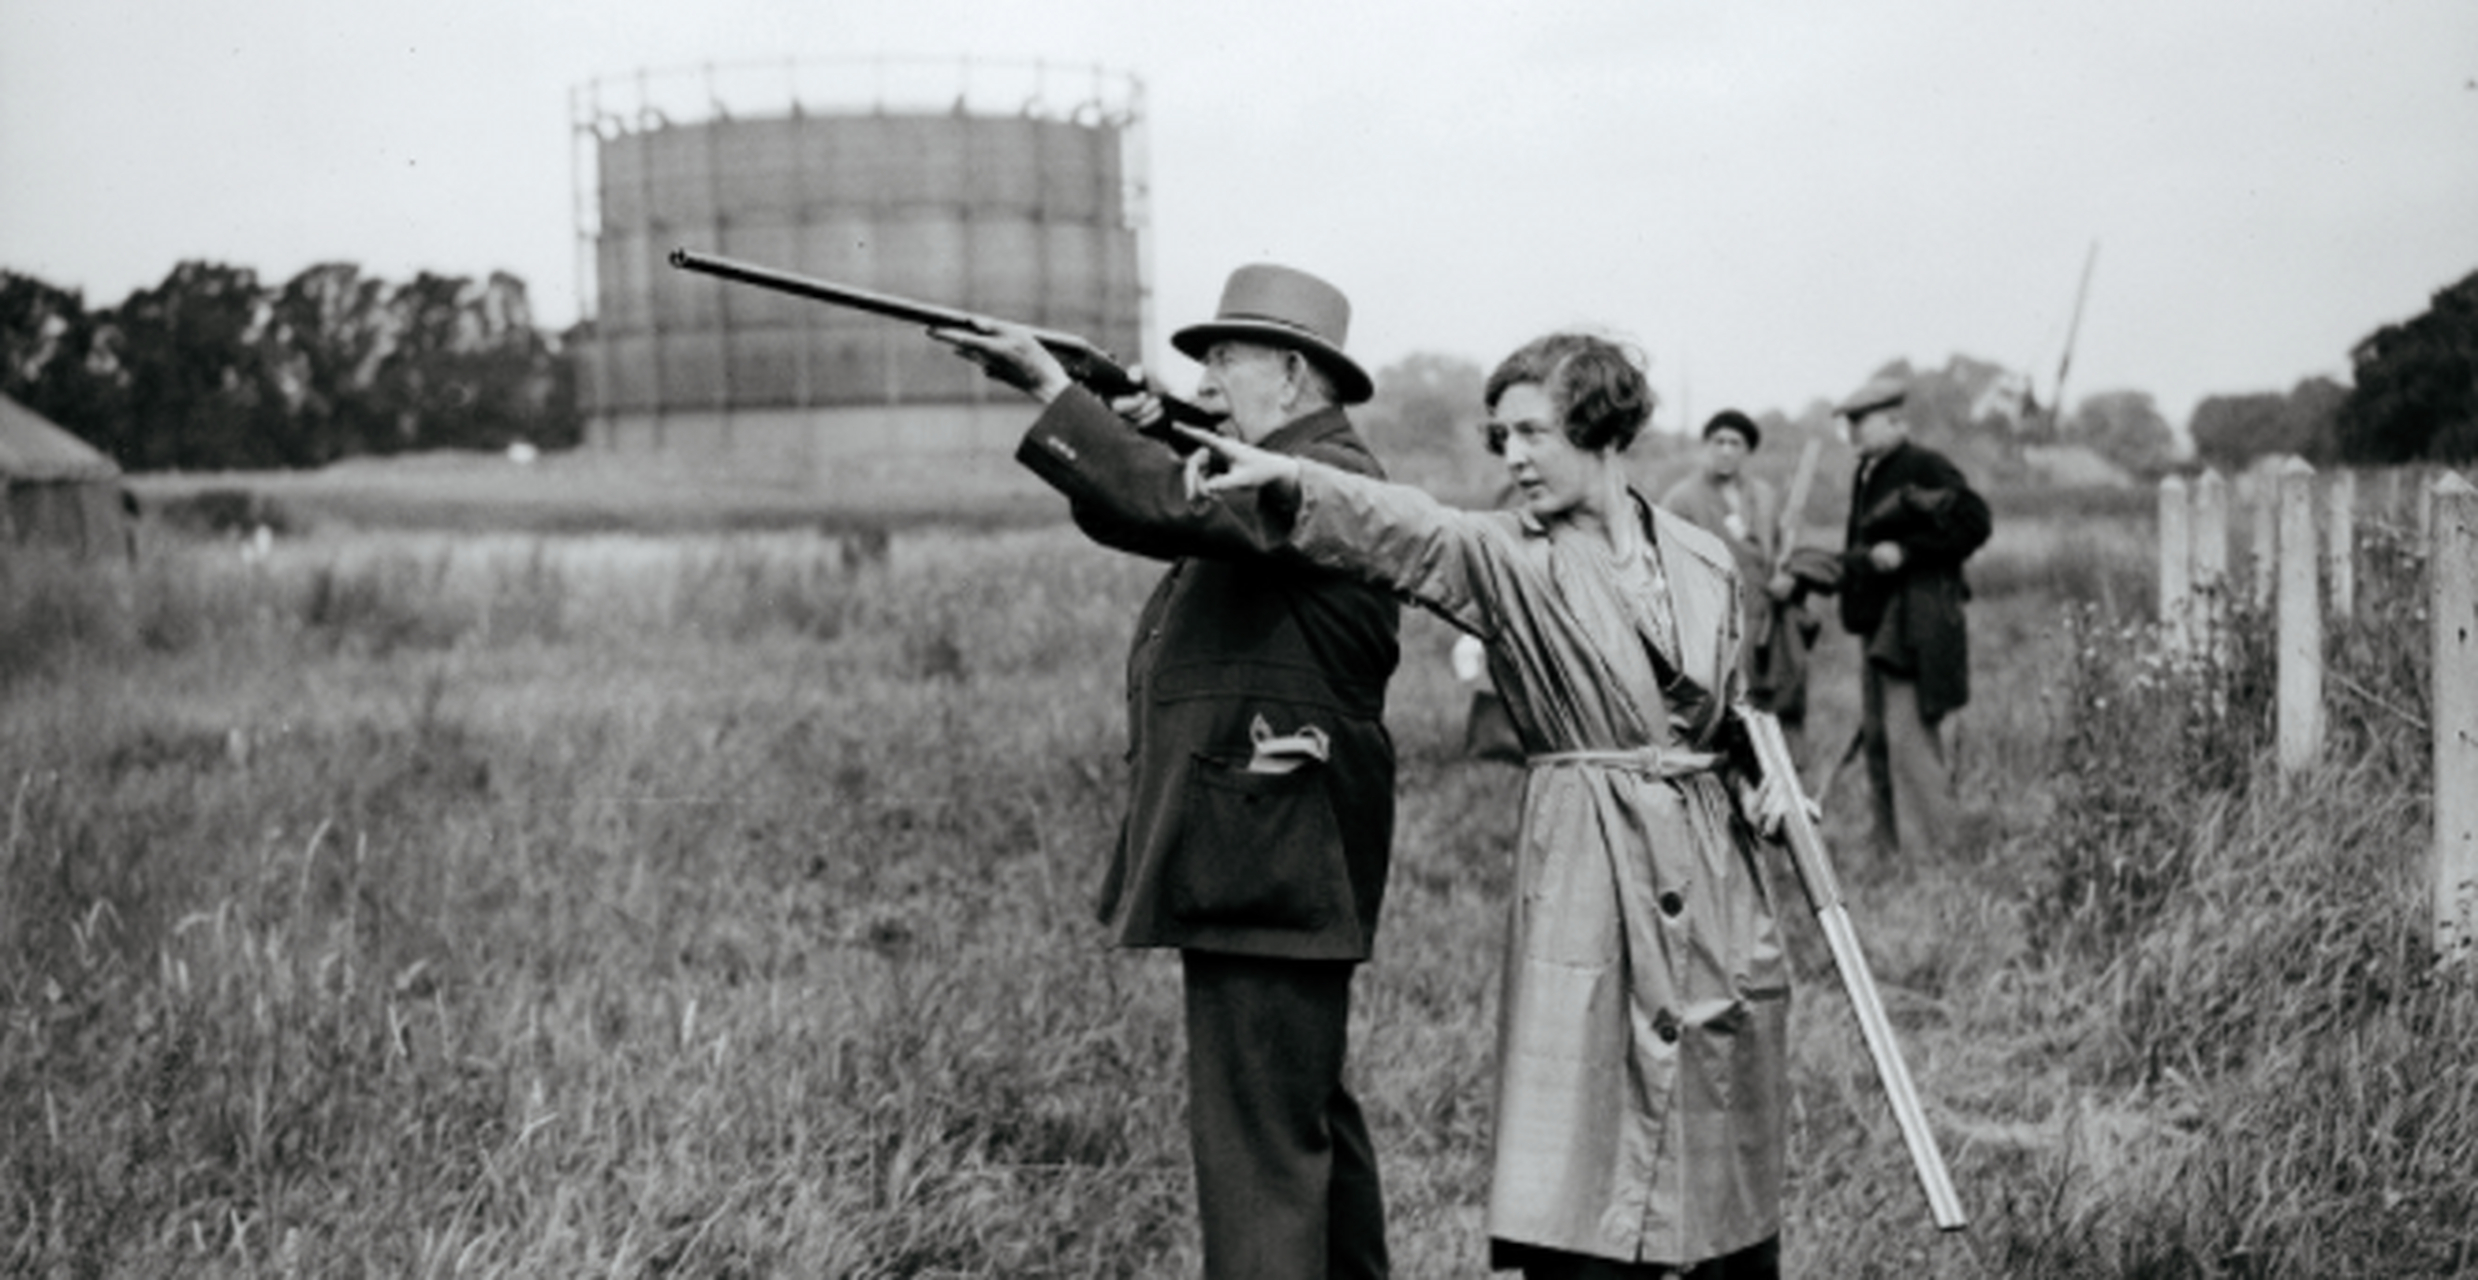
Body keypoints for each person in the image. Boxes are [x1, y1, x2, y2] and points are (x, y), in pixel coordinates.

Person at [1181, 332, 1796, 1278]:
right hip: (1588, 856)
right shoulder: (1509, 555)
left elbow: (1730, 708)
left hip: (1712, 870)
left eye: (1530, 433)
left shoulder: (1704, 559)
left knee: (1716, 1099)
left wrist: (1761, 782)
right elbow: (1411, 528)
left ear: (1597, 429)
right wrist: (1292, 482)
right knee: (1577, 1129)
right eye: (1498, 436)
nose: (1509, 458)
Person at [933, 263, 1400, 1280]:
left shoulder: (1312, 477)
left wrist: (1051, 393)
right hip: (1271, 839)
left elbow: (1163, 509)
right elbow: (1138, 505)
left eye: (1221, 356)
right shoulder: (1292, 467)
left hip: (1267, 845)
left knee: (1257, 1149)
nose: (1206, 373)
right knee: (1298, 1111)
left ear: (1289, 369)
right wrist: (1130, 428)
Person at [1833, 373, 1990, 862]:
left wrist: (1906, 551)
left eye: (1862, 423)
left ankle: (1933, 860)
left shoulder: (1922, 464)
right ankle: (1892, 850)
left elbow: (1974, 521)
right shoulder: (1871, 471)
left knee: (1909, 743)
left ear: (1895, 421)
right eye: (1851, 423)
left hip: (1912, 628)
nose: (1854, 433)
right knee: (1879, 741)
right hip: (1879, 627)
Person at [1659, 410, 1820, 764]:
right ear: (1706, 446)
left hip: (1767, 624)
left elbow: (1788, 548)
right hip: (1712, 632)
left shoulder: (1763, 496)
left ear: (1747, 451)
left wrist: (1789, 578)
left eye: (1735, 443)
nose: (1726, 450)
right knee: (1720, 725)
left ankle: (1779, 804)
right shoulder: (1682, 499)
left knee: (1777, 718)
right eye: (1719, 442)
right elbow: (1661, 564)